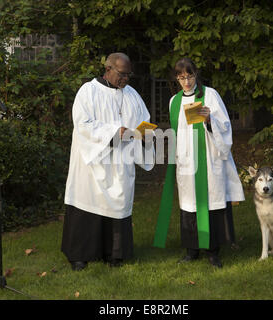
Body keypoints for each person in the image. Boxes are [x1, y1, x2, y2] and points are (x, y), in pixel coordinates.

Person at [61, 53, 154, 271]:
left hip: (120, 164)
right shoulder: (88, 91)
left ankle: (114, 254)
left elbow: (144, 121)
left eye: (129, 74)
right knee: (88, 204)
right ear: (108, 69)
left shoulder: (132, 94)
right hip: (93, 164)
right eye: (122, 74)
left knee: (118, 207)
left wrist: (145, 134)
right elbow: (82, 124)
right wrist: (114, 132)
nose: (126, 79)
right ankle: (79, 256)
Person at [158, 57, 245, 268]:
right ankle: (191, 250)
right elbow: (177, 131)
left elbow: (225, 125)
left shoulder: (210, 95)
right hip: (186, 160)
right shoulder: (174, 101)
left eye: (189, 76)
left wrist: (209, 120)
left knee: (209, 202)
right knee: (189, 205)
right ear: (176, 78)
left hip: (208, 157)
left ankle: (213, 252)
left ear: (196, 74)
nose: (186, 82)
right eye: (181, 77)